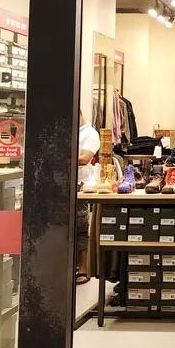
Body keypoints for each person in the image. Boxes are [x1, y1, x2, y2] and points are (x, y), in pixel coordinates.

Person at [75, 110, 100, 285]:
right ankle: (73, 264)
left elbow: (84, 159)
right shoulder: (71, 131)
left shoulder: (90, 133)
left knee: (81, 224)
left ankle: (84, 268)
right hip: (63, 181)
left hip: (80, 183)